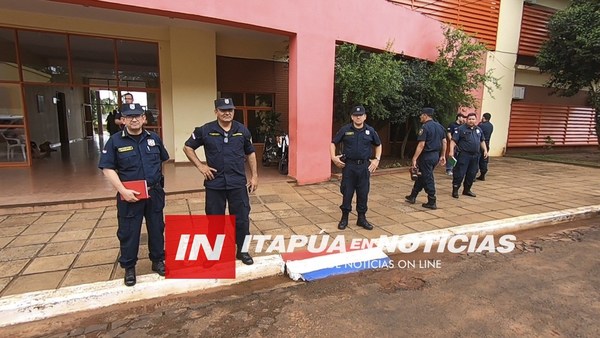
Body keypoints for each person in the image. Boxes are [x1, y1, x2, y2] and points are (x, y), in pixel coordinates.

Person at [98, 103, 169, 286]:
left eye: (138, 115)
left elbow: (162, 160)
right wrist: (122, 191)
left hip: (154, 194)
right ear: (123, 120)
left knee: (156, 228)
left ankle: (158, 261)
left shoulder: (154, 138)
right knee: (129, 231)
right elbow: (107, 168)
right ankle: (129, 267)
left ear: (144, 118)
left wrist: (157, 182)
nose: (134, 119)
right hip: (130, 195)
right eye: (129, 116)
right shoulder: (115, 141)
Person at [183, 98, 258, 265]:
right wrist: (201, 166)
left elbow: (250, 153)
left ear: (233, 110)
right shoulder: (205, 130)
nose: (227, 113)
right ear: (216, 111)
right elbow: (187, 147)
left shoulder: (242, 130)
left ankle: (243, 251)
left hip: (238, 183)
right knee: (215, 220)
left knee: (242, 219)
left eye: (230, 109)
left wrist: (254, 176)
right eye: (223, 110)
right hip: (215, 184)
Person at [330, 105, 382, 230]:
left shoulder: (370, 131)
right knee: (347, 192)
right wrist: (333, 157)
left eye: (360, 115)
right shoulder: (345, 130)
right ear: (352, 117)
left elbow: (378, 145)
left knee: (363, 192)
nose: (358, 117)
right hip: (349, 166)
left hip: (364, 167)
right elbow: (333, 143)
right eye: (355, 115)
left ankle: (361, 219)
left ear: (365, 117)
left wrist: (377, 160)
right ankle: (344, 218)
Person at [405, 108, 447, 209]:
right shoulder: (440, 127)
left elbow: (421, 144)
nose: (420, 117)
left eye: (421, 115)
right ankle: (413, 196)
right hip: (435, 156)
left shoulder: (425, 127)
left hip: (427, 156)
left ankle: (432, 200)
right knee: (422, 176)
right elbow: (444, 142)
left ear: (426, 115)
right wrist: (443, 155)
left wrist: (414, 158)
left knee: (428, 178)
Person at [449, 112, 488, 198]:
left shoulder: (478, 129)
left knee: (472, 173)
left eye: (473, 119)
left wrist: (485, 150)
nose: (471, 121)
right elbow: (453, 141)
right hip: (463, 155)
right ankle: (455, 190)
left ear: (475, 120)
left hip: (475, 156)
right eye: (469, 119)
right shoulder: (460, 129)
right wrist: (451, 151)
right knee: (459, 173)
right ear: (466, 120)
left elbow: (482, 140)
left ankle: (467, 190)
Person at [477, 112, 494, 181]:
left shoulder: (481, 125)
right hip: (487, 144)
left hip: (480, 143)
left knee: (477, 159)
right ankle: (483, 174)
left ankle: (473, 175)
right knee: (484, 158)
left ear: (483, 118)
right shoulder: (491, 125)